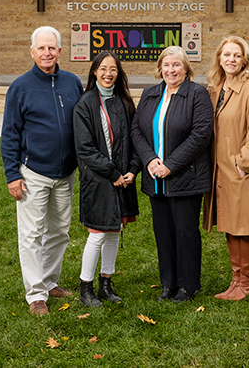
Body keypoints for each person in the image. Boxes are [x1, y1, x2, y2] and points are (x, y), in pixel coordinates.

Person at [0, 26, 83, 316]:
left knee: (60, 232)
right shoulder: (21, 87)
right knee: (32, 234)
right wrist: (12, 174)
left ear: (60, 51)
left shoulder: (72, 83)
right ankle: (35, 293)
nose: (47, 53)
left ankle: (49, 282)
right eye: (42, 48)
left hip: (65, 174)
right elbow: (9, 134)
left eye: (52, 48)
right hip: (32, 173)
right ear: (32, 51)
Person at [132, 45, 214, 302]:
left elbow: (201, 135)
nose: (171, 70)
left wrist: (171, 164)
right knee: (163, 232)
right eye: (166, 65)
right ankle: (168, 283)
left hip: (185, 176)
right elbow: (136, 130)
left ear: (186, 68)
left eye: (176, 65)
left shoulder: (197, 94)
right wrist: (151, 160)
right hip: (155, 178)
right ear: (160, 69)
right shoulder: (150, 94)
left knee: (185, 232)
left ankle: (188, 285)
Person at [203, 35, 249, 301]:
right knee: (231, 223)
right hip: (221, 170)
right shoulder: (216, 87)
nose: (231, 59)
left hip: (243, 170)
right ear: (219, 58)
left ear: (245, 60)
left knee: (246, 225)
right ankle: (236, 281)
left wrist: (242, 164)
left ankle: (247, 283)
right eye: (226, 54)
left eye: (237, 55)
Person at [72, 51, 141, 307]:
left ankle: (106, 284)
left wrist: (132, 170)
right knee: (97, 234)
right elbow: (85, 148)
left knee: (114, 233)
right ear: (94, 72)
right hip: (99, 180)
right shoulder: (85, 104)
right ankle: (85, 287)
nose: (108, 74)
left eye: (113, 69)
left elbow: (136, 140)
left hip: (124, 179)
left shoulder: (124, 102)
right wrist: (112, 174)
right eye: (103, 69)